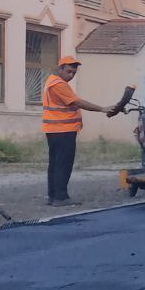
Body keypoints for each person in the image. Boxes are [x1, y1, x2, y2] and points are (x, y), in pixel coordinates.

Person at [42, 56, 112, 206]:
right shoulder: (58, 85)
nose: (71, 75)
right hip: (63, 130)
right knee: (63, 163)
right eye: (68, 71)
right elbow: (76, 102)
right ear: (60, 68)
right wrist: (102, 108)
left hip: (54, 129)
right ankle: (60, 197)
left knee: (55, 163)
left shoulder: (52, 81)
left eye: (74, 72)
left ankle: (53, 196)